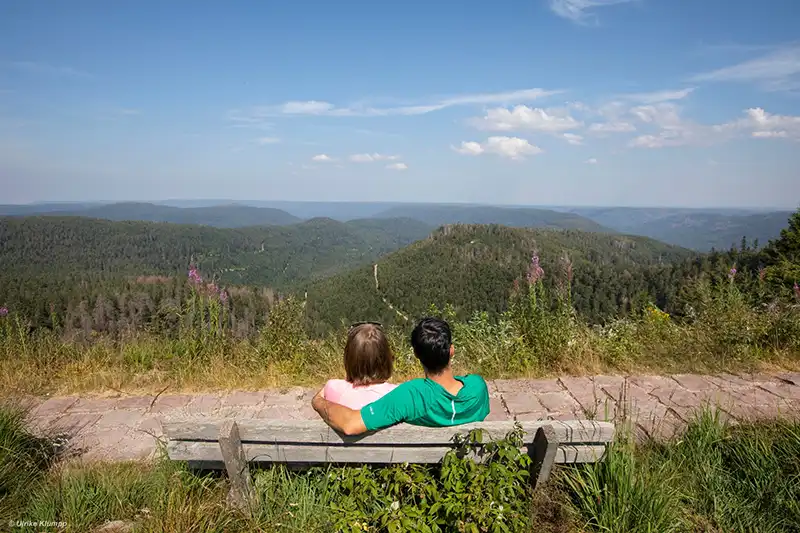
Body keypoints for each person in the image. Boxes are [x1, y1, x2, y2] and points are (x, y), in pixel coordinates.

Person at [312, 317, 489, 435]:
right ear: (451, 350)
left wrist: (318, 401)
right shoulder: (478, 386)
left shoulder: (410, 395)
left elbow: (350, 425)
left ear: (416, 354)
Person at [322, 322, 397, 410]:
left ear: (348, 359)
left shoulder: (333, 387)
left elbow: (317, 399)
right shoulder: (397, 394)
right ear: (387, 359)